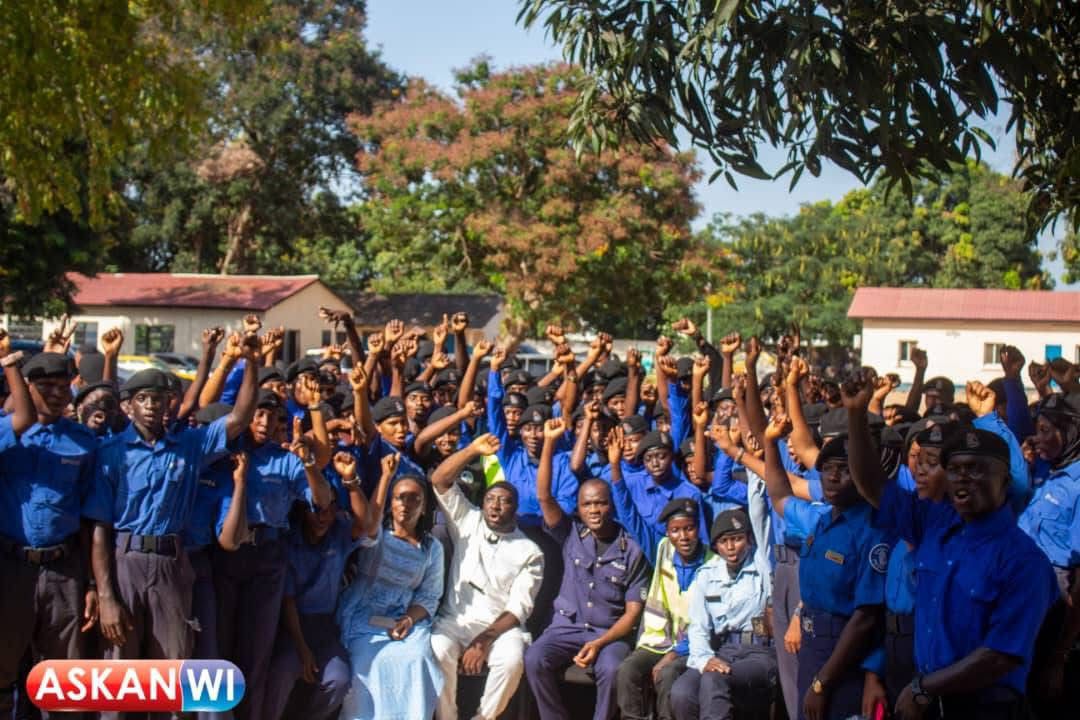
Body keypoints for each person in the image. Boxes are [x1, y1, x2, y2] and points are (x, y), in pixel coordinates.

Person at [845, 377, 1059, 720]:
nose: (963, 479)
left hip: (985, 707)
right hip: (927, 701)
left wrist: (925, 687)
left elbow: (1000, 655)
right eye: (956, 470)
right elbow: (872, 486)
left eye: (976, 470)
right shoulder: (933, 522)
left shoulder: (1024, 561)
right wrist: (855, 414)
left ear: (1004, 481)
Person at [213, 385, 333, 720]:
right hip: (226, 556)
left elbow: (321, 499)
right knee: (220, 649)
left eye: (273, 416)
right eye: (259, 414)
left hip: (267, 556)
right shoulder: (227, 449)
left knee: (256, 652)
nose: (265, 422)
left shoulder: (285, 460)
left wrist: (308, 462)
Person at [761, 408, 888, 720]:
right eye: (826, 468)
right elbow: (779, 497)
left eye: (843, 469)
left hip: (846, 655)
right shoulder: (820, 519)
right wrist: (769, 443)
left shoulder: (872, 530)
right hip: (812, 644)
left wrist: (823, 683)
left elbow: (866, 618)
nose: (832, 476)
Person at [525, 417, 649, 720]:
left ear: (611, 505)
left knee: (611, 667)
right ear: (579, 509)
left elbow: (632, 613)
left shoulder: (631, 547)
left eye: (601, 504)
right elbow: (544, 496)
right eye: (587, 505)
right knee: (533, 658)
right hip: (565, 627)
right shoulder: (570, 533)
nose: (594, 510)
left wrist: (599, 643)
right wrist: (550, 442)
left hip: (609, 633)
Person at [0, 350, 93, 718]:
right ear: (27, 388)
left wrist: (91, 586)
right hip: (11, 566)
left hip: (63, 570)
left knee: (62, 678)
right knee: (4, 671)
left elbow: (90, 519)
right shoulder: (8, 432)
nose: (57, 394)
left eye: (63, 386)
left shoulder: (85, 442)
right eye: (46, 386)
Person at [429, 433, 545, 720]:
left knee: (512, 659)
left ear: (515, 509)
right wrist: (471, 449)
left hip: (498, 628)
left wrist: (484, 640)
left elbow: (519, 609)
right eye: (490, 499)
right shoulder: (468, 520)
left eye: (503, 501)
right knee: (437, 649)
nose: (494, 506)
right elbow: (440, 480)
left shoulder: (530, 551)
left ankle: (484, 718)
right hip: (456, 621)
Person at [263, 450, 371, 720]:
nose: (323, 517)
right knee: (283, 670)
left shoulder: (338, 535)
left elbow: (365, 525)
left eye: (329, 510)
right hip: (292, 627)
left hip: (325, 626)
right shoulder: (289, 542)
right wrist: (302, 649)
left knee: (338, 679)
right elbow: (287, 600)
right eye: (316, 510)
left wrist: (351, 482)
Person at [337, 455, 445, 720]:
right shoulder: (378, 536)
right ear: (390, 502)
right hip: (363, 616)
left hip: (403, 620)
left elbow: (429, 595)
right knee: (368, 663)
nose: (405, 504)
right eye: (400, 497)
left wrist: (409, 618)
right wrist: (386, 477)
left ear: (423, 507)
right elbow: (369, 523)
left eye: (413, 499)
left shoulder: (432, 548)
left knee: (416, 660)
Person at [669, 475, 775, 720]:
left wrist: (752, 469)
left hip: (759, 652)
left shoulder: (760, 563)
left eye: (737, 539)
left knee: (715, 679)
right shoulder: (707, 574)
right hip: (725, 648)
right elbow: (698, 627)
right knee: (681, 692)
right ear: (715, 546)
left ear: (748, 540)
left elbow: (759, 515)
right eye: (724, 541)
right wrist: (705, 658)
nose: (731, 547)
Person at [616, 497, 714, 720]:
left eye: (689, 528)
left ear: (698, 528)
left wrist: (672, 655)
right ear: (668, 533)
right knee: (626, 671)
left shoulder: (713, 563)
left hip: (690, 646)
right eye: (675, 530)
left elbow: (710, 625)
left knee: (667, 675)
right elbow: (631, 517)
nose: (683, 537)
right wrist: (615, 472)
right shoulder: (662, 549)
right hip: (657, 640)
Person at [1017, 391, 1080, 705]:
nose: (1035, 438)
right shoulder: (1051, 474)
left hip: (1053, 610)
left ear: (1070, 433)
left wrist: (1060, 655)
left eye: (1045, 431)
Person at [607, 427, 708, 566]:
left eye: (661, 457)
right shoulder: (634, 484)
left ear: (672, 457)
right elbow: (626, 514)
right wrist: (614, 464)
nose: (655, 463)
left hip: (677, 565)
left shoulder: (690, 494)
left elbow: (702, 541)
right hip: (638, 560)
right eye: (648, 458)